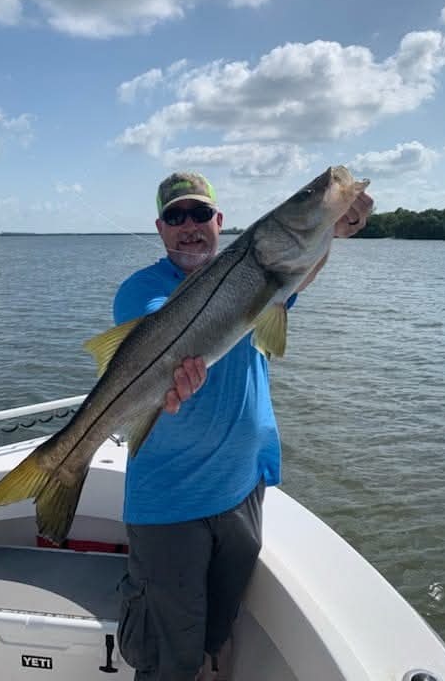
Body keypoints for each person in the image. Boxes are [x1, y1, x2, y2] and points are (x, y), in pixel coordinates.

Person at [114, 171, 373, 681]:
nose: (189, 227)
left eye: (199, 214)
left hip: (242, 491)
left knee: (217, 638)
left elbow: (293, 271)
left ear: (220, 221)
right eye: (175, 217)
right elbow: (162, 326)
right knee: (170, 658)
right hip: (170, 503)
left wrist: (332, 226)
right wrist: (174, 366)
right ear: (161, 229)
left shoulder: (265, 276)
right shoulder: (141, 289)